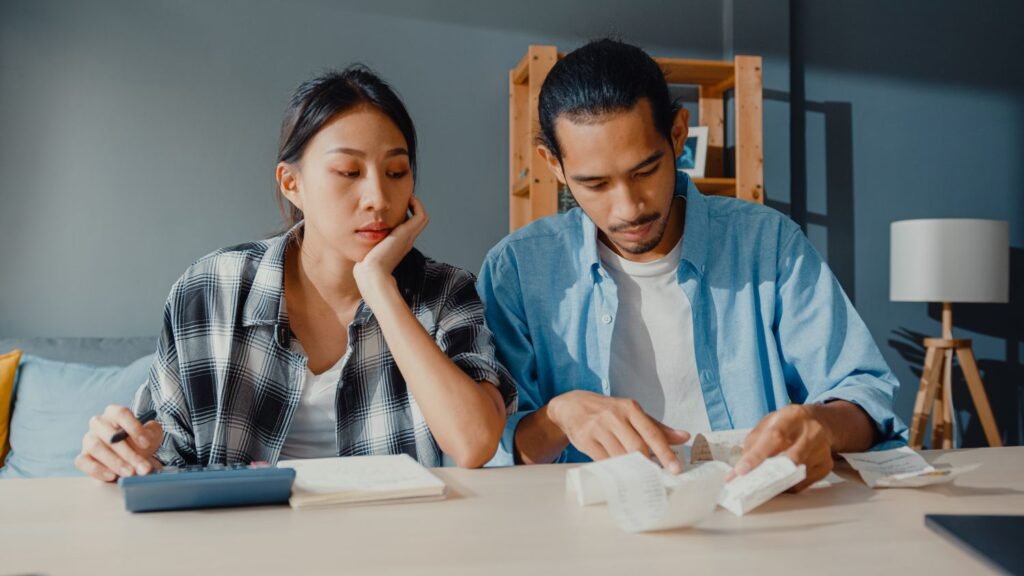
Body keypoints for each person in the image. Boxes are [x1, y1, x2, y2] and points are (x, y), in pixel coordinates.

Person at [479, 39, 906, 491]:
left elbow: (864, 394)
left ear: (679, 135)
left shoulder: (767, 244)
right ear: (555, 166)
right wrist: (559, 417)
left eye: (645, 171)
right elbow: (489, 448)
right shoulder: (518, 271)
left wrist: (821, 425)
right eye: (596, 184)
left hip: (761, 523)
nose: (628, 208)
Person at [76, 65, 516, 482]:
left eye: (396, 172)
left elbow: (473, 442)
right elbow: (163, 448)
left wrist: (380, 287)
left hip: (390, 547)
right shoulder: (211, 289)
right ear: (292, 183)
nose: (378, 198)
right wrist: (125, 450)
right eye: (348, 172)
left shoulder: (445, 291)